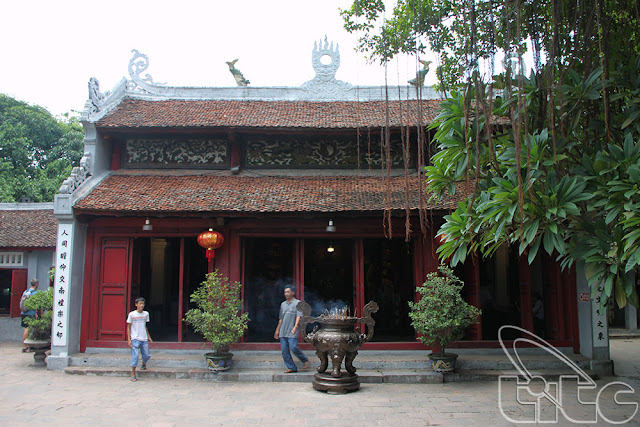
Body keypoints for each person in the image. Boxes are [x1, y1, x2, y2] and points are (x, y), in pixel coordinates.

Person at [274, 285, 309, 373]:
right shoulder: (283, 304)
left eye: (288, 292)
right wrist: (277, 330)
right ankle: (292, 367)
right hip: (283, 331)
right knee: (284, 351)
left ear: (293, 293)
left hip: (292, 330)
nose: (286, 294)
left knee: (293, 347)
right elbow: (281, 319)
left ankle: (304, 359)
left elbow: (299, 316)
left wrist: (295, 326)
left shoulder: (298, 303)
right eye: (285, 292)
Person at [126, 297, 152, 382]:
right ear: (136, 304)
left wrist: (148, 336)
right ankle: (133, 373)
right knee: (135, 356)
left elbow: (145, 326)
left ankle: (143, 363)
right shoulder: (132, 314)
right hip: (135, 338)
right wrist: (129, 339)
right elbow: (128, 327)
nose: (142, 305)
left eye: (143, 304)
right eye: (140, 304)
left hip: (144, 337)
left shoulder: (145, 314)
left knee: (147, 355)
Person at [21, 279, 39, 353]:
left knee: (27, 329)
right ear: (36, 284)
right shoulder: (36, 293)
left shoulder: (25, 292)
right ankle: (25, 346)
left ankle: (27, 346)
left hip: (24, 313)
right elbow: (38, 305)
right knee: (28, 329)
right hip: (31, 313)